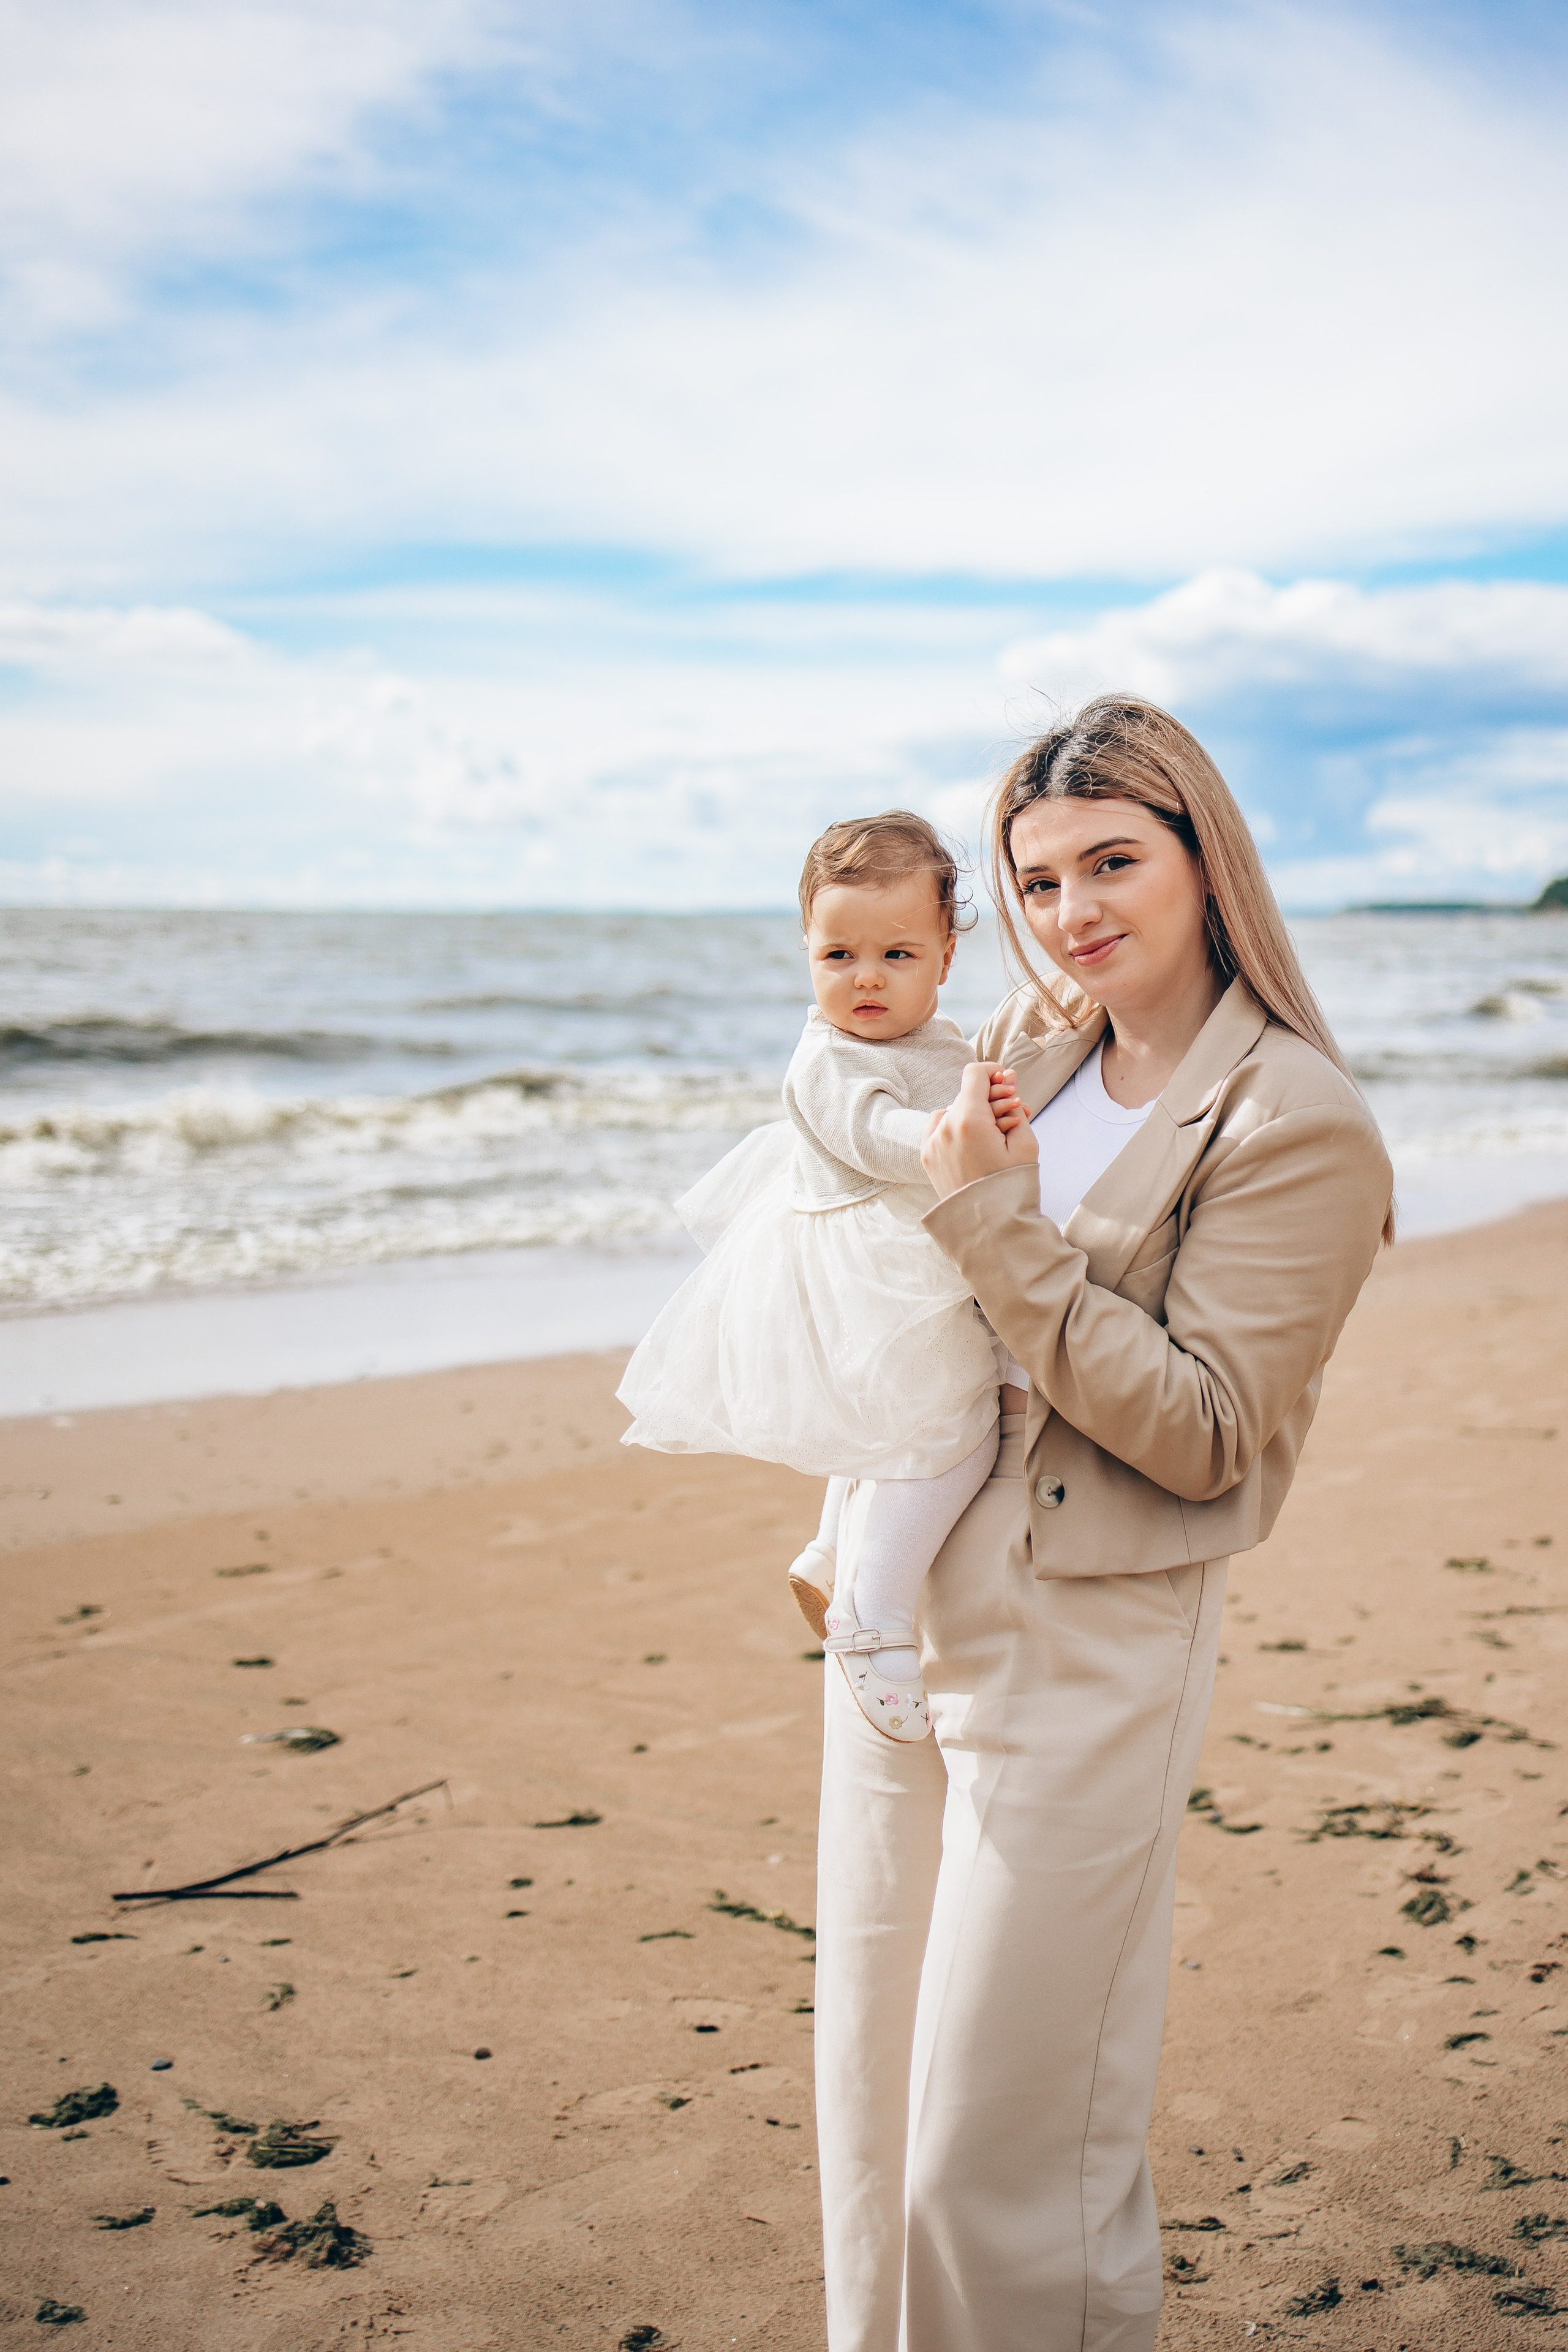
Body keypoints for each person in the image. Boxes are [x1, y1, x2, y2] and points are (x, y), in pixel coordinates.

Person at [813, 697, 1394, 2352]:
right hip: (900, 1617)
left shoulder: (1299, 1121)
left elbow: (1207, 1430)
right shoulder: (1031, 1040)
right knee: (874, 2122)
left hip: (1092, 1633)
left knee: (1000, 2153)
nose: (1075, 910)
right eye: (1039, 876)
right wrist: (840, 1534)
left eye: (1115, 860)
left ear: (1208, 862)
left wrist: (993, 1219)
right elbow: (913, 1305)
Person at [617, 811, 1000, 1741]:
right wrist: (954, 1140)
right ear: (807, 953)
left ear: (945, 956)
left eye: (896, 955)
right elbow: (872, 1130)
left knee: (878, 1421)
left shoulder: (939, 1035)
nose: (865, 978)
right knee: (955, 1431)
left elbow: (957, 1080)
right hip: (865, 1273)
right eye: (838, 956)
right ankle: (872, 1614)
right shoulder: (825, 1057)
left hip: (905, 1259)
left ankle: (829, 1552)